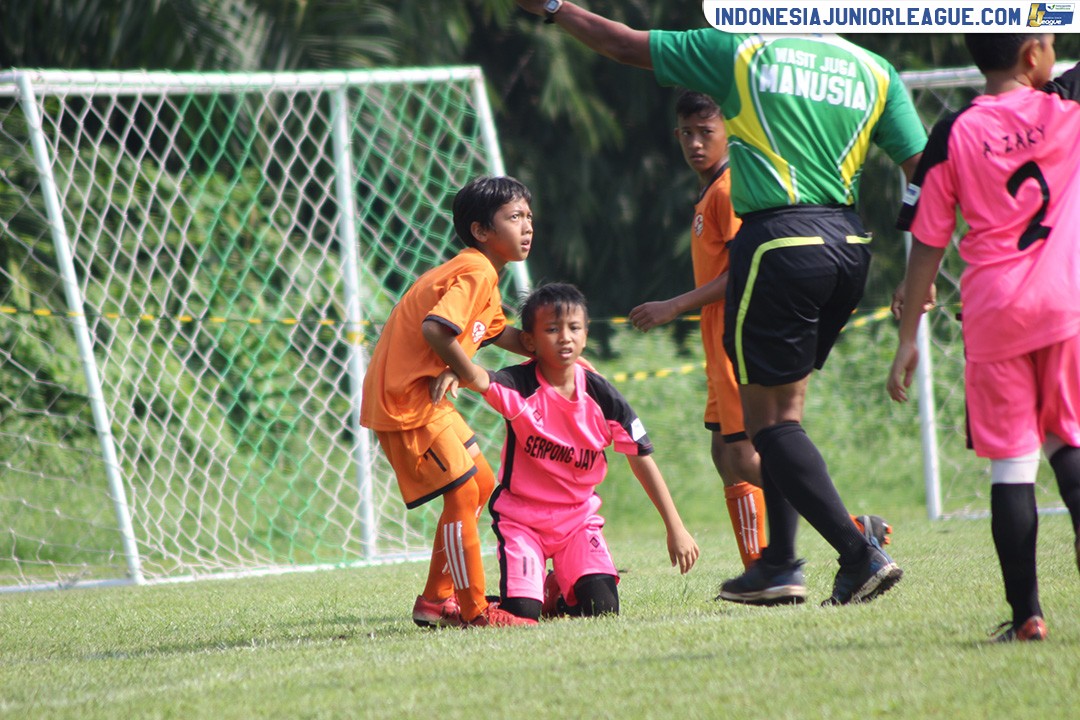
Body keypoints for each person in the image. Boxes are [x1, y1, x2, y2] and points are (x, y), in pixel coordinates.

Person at [513, 0, 925, 606]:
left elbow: (626, 43)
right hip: (849, 245)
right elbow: (926, 170)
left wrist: (553, 8)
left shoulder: (742, 51)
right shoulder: (871, 67)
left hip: (781, 244)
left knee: (765, 429)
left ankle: (854, 548)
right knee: (783, 422)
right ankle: (781, 564)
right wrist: (921, 268)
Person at [628, 90, 892, 577]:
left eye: (705, 132)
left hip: (739, 334)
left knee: (751, 456)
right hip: (716, 339)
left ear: (729, 131)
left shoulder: (729, 190)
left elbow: (738, 274)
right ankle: (760, 565)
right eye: (686, 133)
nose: (694, 143)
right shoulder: (711, 192)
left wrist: (673, 306)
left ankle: (851, 533)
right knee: (725, 453)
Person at [889, 34, 1080, 642]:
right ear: (1032, 56)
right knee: (1068, 441)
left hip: (995, 313)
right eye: (1051, 41)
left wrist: (909, 334)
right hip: (1066, 306)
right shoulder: (1066, 110)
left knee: (1012, 467)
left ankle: (1026, 615)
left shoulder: (954, 132)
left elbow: (928, 237)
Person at [433, 282, 699, 621]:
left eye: (574, 328)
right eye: (552, 329)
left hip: (578, 521)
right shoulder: (519, 385)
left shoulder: (603, 396)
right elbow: (478, 376)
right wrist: (457, 371)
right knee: (521, 616)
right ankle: (490, 600)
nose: (565, 337)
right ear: (529, 341)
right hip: (522, 521)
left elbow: (641, 458)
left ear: (586, 334)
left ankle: (559, 589)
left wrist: (675, 527)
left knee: (602, 611)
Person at [359, 175, 539, 628]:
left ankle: (435, 601)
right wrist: (466, 372)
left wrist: (554, 342)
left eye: (529, 217)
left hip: (422, 398)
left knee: (479, 483)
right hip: (405, 400)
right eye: (514, 217)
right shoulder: (476, 270)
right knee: (462, 491)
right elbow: (436, 329)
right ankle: (475, 611)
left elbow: (501, 334)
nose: (527, 227)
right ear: (481, 231)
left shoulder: (485, 278)